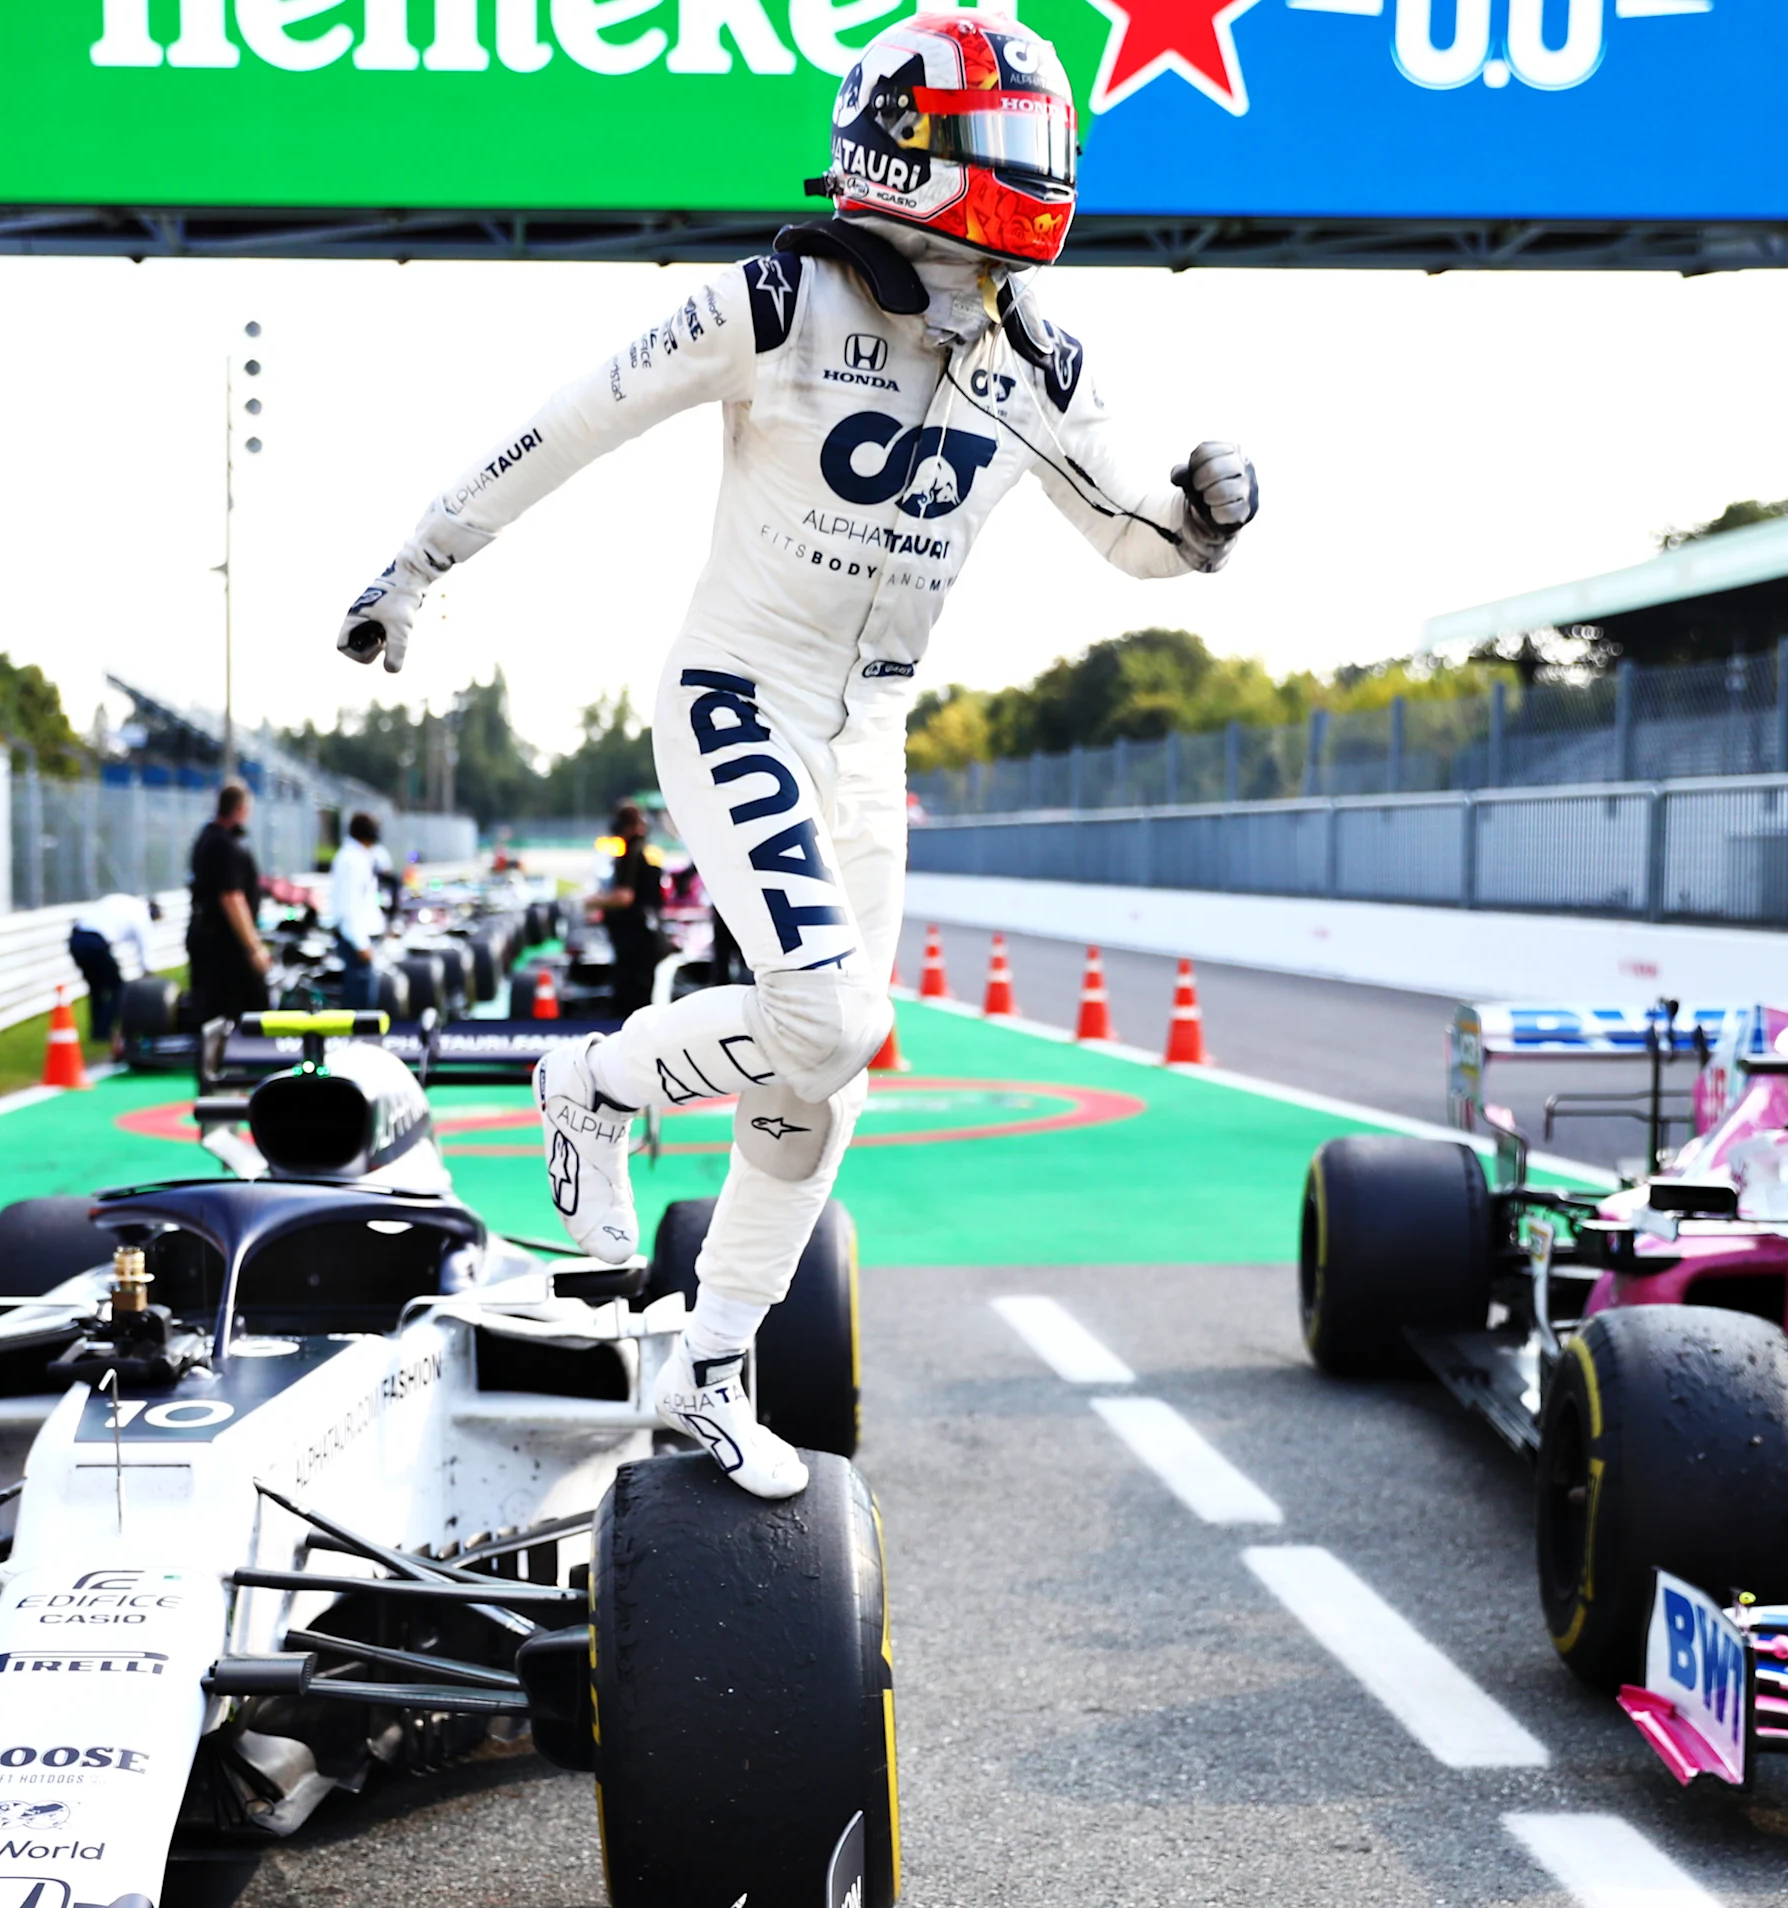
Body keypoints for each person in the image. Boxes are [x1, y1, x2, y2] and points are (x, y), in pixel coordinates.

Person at [333, 7, 1255, 1497]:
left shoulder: (1043, 359)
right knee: (827, 1019)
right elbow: (569, 427)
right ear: (901, 148)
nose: (1031, 176)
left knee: (824, 1086)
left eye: (1042, 146)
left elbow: (1135, 542)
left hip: (868, 733)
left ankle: (712, 1367)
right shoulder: (777, 300)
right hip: (738, 695)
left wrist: (1207, 522)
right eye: (998, 145)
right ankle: (593, 1081)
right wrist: (419, 565)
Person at [184, 784, 270, 1028]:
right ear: (240, 809)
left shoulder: (207, 837)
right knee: (248, 1004)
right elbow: (231, 897)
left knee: (212, 1007)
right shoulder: (223, 844)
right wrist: (254, 947)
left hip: (208, 935)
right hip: (223, 942)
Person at [595, 802, 665, 1016]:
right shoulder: (646, 851)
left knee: (630, 992)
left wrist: (594, 902)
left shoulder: (631, 853)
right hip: (646, 931)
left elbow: (625, 898)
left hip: (633, 935)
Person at [70, 891, 157, 1050]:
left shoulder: (124, 901)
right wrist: (149, 975)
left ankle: (98, 1033)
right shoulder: (142, 917)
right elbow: (145, 952)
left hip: (76, 937)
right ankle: (107, 1030)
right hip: (95, 942)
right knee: (118, 988)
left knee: (96, 989)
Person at [324, 812, 389, 1012]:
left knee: (364, 1002)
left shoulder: (358, 857)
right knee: (360, 1008)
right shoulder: (352, 861)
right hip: (357, 943)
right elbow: (349, 906)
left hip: (358, 940)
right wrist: (361, 944)